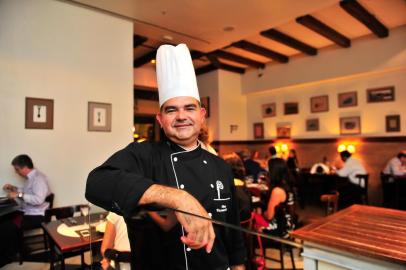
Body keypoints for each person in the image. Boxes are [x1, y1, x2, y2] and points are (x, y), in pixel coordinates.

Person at [85, 44, 246, 270]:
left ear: (201, 116)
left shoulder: (220, 166)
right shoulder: (143, 155)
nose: (181, 116)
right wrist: (178, 197)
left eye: (189, 108)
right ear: (160, 120)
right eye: (171, 110)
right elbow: (96, 183)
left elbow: (233, 233)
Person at [0, 154, 51, 267]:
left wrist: (19, 194)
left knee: (6, 225)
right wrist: (14, 188)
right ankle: (17, 248)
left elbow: (38, 199)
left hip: (38, 215)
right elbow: (27, 191)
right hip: (29, 211)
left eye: (17, 169)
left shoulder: (39, 179)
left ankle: (9, 255)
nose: (16, 172)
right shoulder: (31, 178)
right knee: (5, 218)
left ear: (24, 167)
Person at [260, 159, 296, 238]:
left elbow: (269, 216)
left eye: (268, 169)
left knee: (252, 223)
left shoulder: (277, 191)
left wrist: (262, 214)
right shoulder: (287, 185)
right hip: (288, 224)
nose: (267, 172)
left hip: (280, 229)